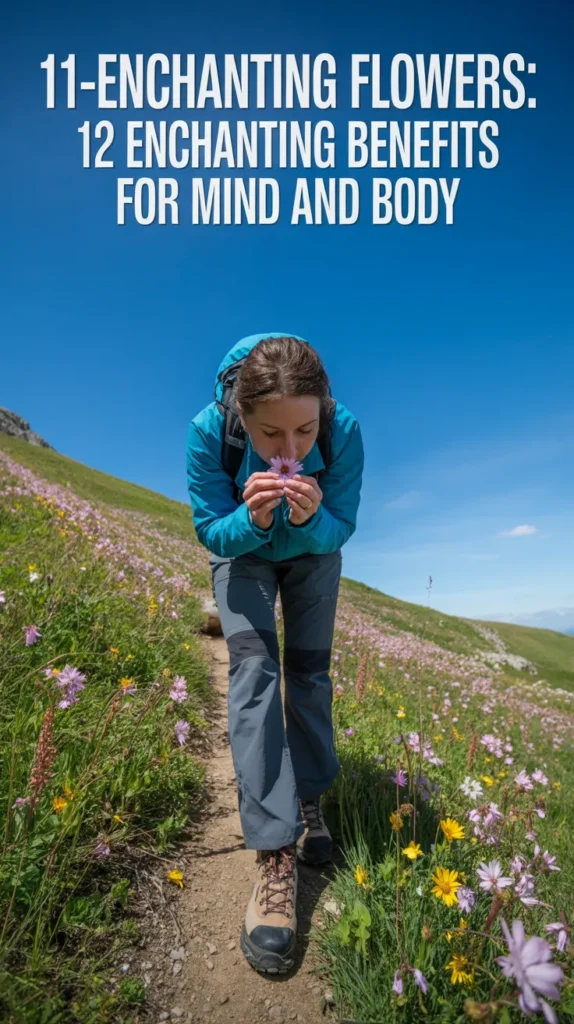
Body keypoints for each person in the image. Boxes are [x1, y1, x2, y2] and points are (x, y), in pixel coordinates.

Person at [186, 333, 364, 974]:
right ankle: (274, 853)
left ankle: (309, 800)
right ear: (240, 414)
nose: (290, 453)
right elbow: (210, 525)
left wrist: (313, 520)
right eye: (269, 437)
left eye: (305, 432)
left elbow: (343, 520)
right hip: (243, 556)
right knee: (255, 673)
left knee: (309, 674)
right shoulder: (209, 433)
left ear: (324, 409)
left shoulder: (345, 431)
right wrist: (253, 523)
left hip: (315, 555)